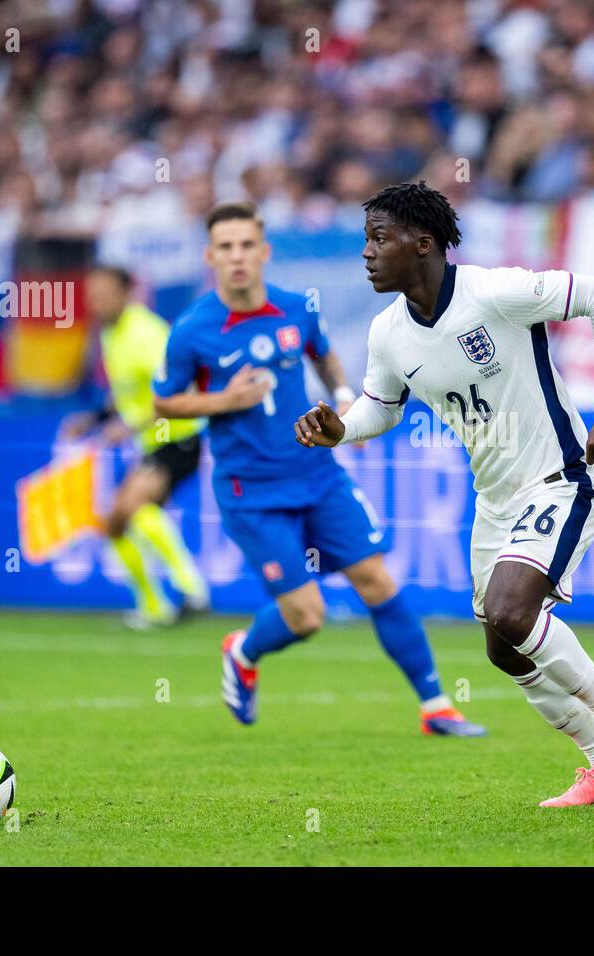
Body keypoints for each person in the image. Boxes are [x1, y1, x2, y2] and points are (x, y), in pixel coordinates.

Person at [295, 182, 594, 806]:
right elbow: (380, 409)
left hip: (561, 475)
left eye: (381, 238)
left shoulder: (495, 292)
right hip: (494, 503)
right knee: (503, 648)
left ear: (424, 243)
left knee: (515, 613)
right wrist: (341, 431)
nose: (368, 253)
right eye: (366, 240)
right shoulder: (388, 333)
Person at [151, 201, 484, 737]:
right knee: (307, 616)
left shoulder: (295, 309)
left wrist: (345, 398)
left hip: (316, 473)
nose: (238, 256)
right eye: (226, 247)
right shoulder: (192, 330)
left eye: (246, 245)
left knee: (375, 579)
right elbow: (164, 403)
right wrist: (224, 401)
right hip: (251, 490)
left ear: (264, 251)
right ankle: (243, 649)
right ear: (211, 256)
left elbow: (323, 354)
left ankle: (436, 706)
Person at [60, 266, 210, 630]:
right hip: (153, 438)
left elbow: (178, 389)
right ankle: (154, 606)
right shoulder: (111, 334)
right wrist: (95, 417)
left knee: (133, 507)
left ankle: (192, 588)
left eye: (104, 292)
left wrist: (130, 425)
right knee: (116, 522)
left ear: (127, 293)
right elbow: (130, 392)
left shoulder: (146, 334)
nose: (96, 301)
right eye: (92, 294)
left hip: (177, 435)